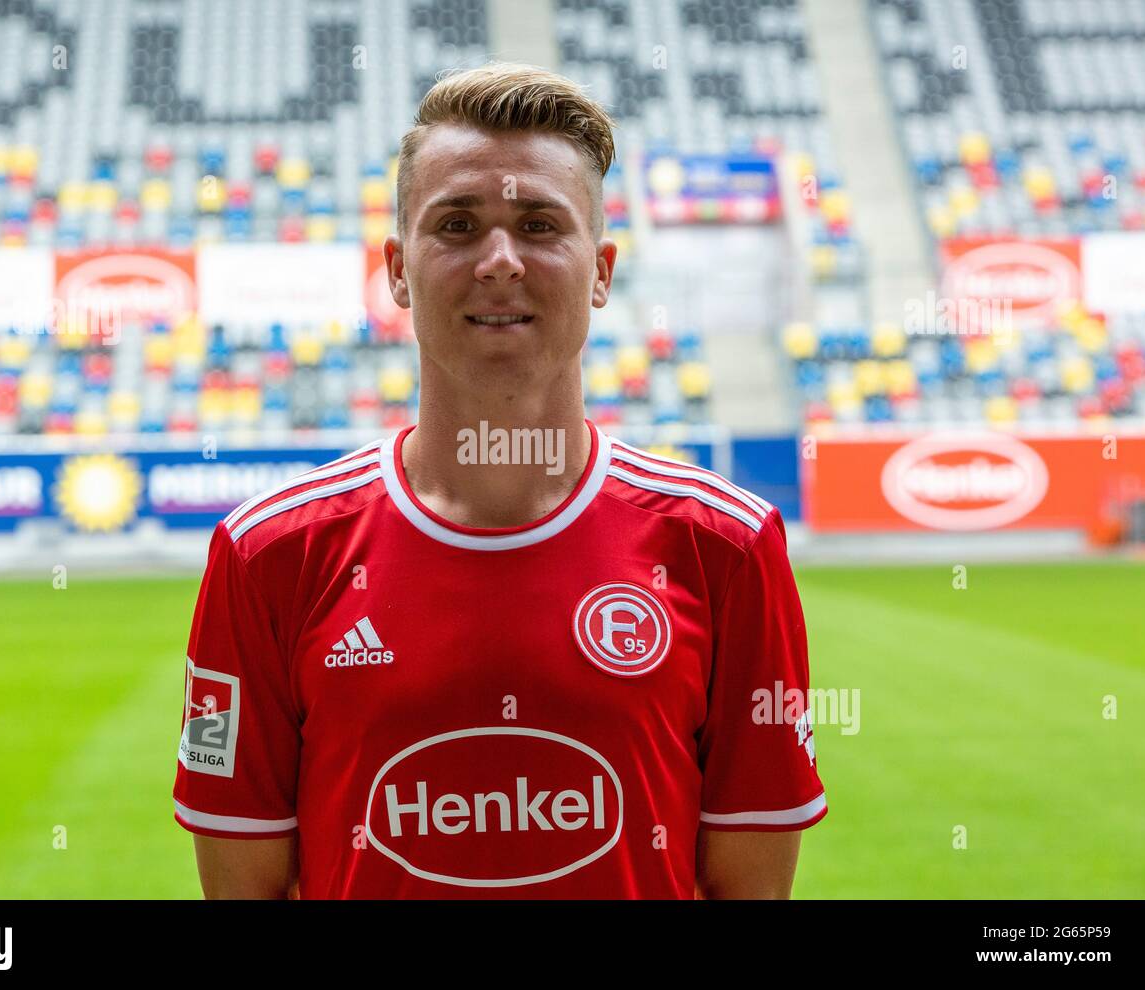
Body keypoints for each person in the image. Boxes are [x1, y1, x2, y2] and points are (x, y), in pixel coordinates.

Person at [172, 62, 826, 899]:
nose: (500, 261)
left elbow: (750, 888)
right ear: (397, 269)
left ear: (602, 270)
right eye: (457, 224)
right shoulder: (268, 555)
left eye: (539, 224)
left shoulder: (726, 547)